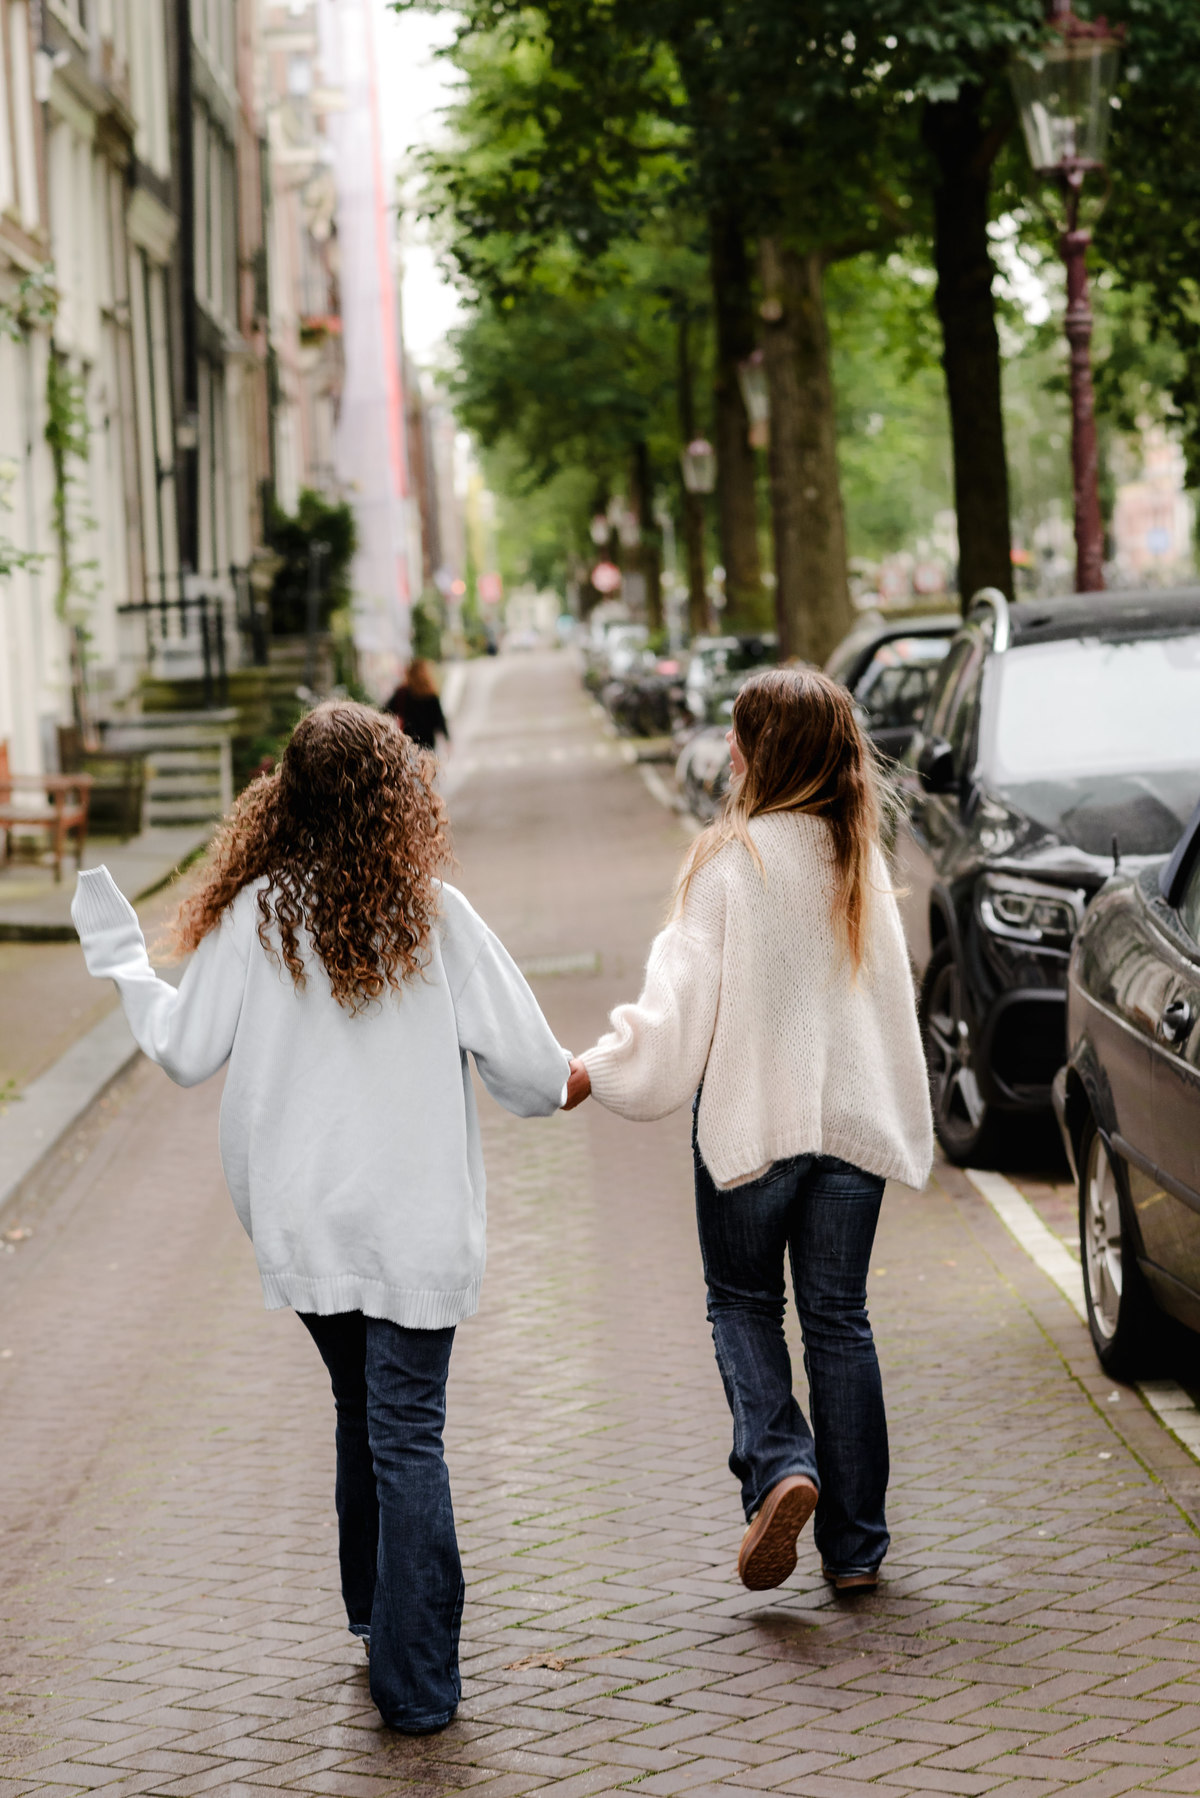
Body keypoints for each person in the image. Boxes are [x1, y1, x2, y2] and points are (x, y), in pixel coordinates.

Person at [70, 700, 570, 1734]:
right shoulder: (436, 915)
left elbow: (182, 1048)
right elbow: (530, 1072)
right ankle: (418, 1685)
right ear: (400, 798)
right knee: (407, 1433)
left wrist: (121, 955)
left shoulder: (255, 918)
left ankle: (369, 1614)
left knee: (365, 1412)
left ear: (282, 798)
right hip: (414, 1226)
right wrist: (587, 1077)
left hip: (304, 1227)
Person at [563, 668, 932, 1594]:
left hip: (750, 1134)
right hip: (850, 1132)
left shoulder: (732, 861)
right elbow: (892, 1006)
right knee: (840, 1322)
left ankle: (781, 1466)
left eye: (738, 734)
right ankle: (855, 1550)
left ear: (760, 751)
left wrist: (595, 1071)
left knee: (742, 1303)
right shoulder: (860, 858)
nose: (727, 749)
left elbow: (677, 1009)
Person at [384, 658, 450, 752]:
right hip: (428, 743)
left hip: (408, 741)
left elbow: (386, 711)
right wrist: (447, 738)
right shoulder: (431, 695)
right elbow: (439, 720)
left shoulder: (402, 693)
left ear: (410, 673)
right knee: (426, 765)